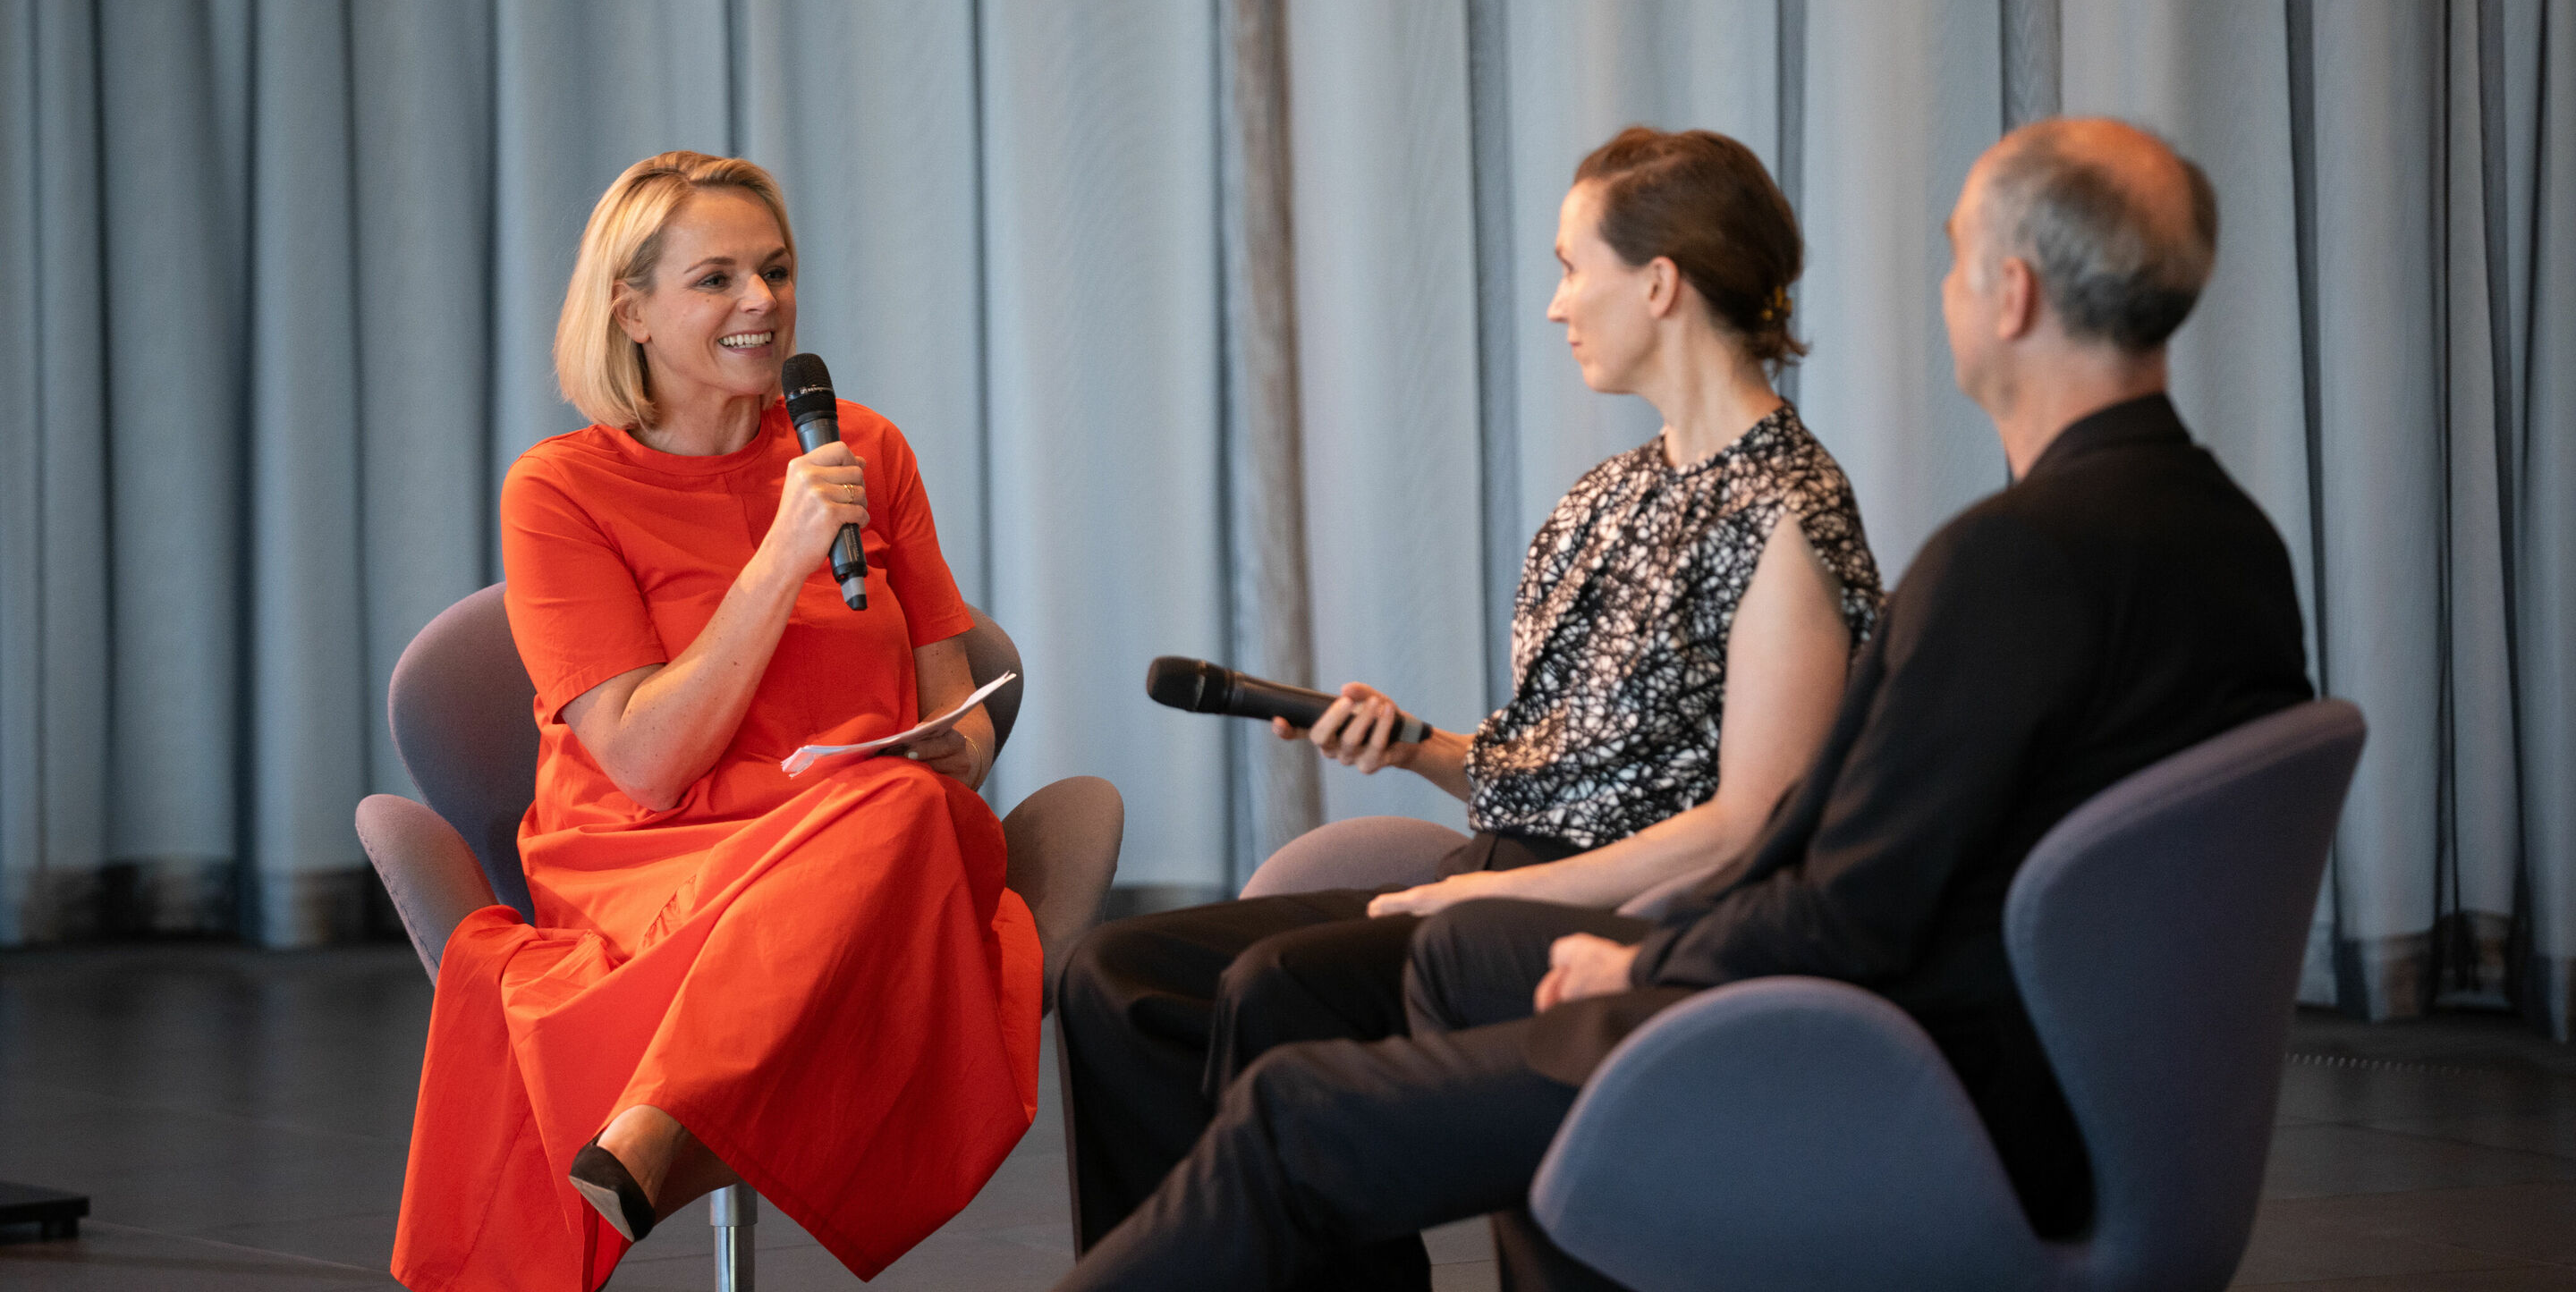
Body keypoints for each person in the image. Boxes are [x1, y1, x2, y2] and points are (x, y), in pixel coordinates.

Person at [1053, 116, 2317, 1292]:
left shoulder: (2012, 561)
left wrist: (1643, 957)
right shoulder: (2233, 543)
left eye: (1951, 262)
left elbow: (1842, 897)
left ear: (2013, 294)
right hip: (2032, 1075)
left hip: (1887, 1072)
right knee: (1265, 986)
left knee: (1300, 1097)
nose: (1944, 295)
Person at [1058, 128, 1885, 1281]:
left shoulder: (1787, 511)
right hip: (1500, 874)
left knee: (1274, 987)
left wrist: (1495, 894)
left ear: (1659, 282)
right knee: (1117, 979)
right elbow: (1553, 758)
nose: (1555, 305)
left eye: (1569, 264)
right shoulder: (1609, 493)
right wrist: (1420, 750)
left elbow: (1754, 821)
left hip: (1630, 912)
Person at [391, 153, 1040, 1292]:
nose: (762, 304)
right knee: (895, 820)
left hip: (873, 835)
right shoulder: (556, 491)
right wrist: (781, 556)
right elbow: (645, 763)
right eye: (718, 279)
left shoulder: (864, 449)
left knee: (907, 808)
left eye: (776, 271)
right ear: (630, 311)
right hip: (657, 858)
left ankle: (659, 1121)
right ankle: (677, 1125)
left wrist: (965, 744)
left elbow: (959, 704)